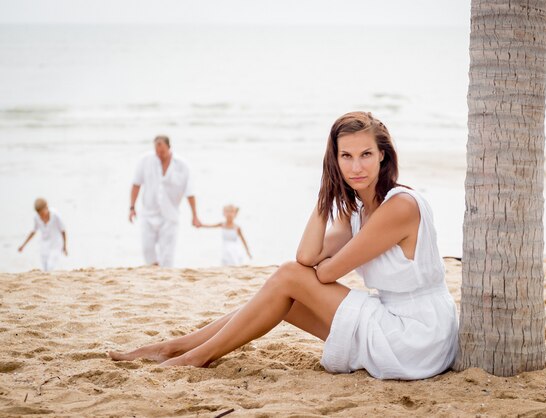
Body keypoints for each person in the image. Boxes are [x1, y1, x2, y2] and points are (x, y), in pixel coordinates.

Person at [110, 112, 458, 380]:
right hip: (392, 323)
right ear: (334, 161)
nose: (356, 166)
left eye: (366, 154)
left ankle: (193, 356)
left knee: (289, 279)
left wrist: (316, 267)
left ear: (383, 155)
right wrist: (327, 193)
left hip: (417, 334)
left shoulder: (399, 206)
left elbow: (325, 271)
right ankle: (179, 346)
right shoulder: (356, 212)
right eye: (346, 156)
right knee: (284, 298)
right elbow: (307, 255)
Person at [129, 135, 202, 267]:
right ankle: (154, 274)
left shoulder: (183, 166)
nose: (159, 154)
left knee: (167, 255)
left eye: (162, 151)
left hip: (170, 216)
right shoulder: (145, 161)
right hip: (148, 214)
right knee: (147, 250)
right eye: (156, 151)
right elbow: (136, 184)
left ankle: (164, 280)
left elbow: (190, 193)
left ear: (169, 147)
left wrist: (195, 216)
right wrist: (132, 208)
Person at [18, 198, 68, 272]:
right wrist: (23, 245)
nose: (41, 216)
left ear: (46, 207)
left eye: (42, 213)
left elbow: (63, 231)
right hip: (44, 244)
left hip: (56, 244)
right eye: (39, 214)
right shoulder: (36, 218)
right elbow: (33, 232)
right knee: (45, 267)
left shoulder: (56, 215)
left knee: (51, 266)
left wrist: (64, 246)